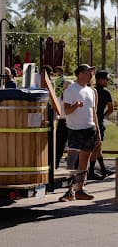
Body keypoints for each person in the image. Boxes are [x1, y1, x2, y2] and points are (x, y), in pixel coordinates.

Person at [59, 64, 100, 201]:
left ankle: (80, 190)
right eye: (89, 72)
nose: (91, 75)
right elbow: (66, 111)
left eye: (92, 73)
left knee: (84, 162)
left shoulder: (91, 91)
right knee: (72, 162)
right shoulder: (71, 89)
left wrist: (98, 132)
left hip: (90, 129)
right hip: (75, 130)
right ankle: (69, 191)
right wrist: (75, 105)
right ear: (80, 74)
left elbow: (94, 113)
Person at [87, 70, 114, 179]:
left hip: (88, 120)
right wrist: (103, 116)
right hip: (98, 123)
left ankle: (102, 169)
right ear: (99, 79)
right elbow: (111, 109)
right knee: (96, 146)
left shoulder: (90, 90)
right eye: (106, 79)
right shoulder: (106, 93)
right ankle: (91, 171)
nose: (107, 81)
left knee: (98, 146)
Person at [55, 79, 73, 169]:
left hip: (61, 122)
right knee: (73, 145)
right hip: (70, 121)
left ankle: (55, 165)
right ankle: (72, 167)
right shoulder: (71, 97)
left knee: (59, 146)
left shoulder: (60, 97)